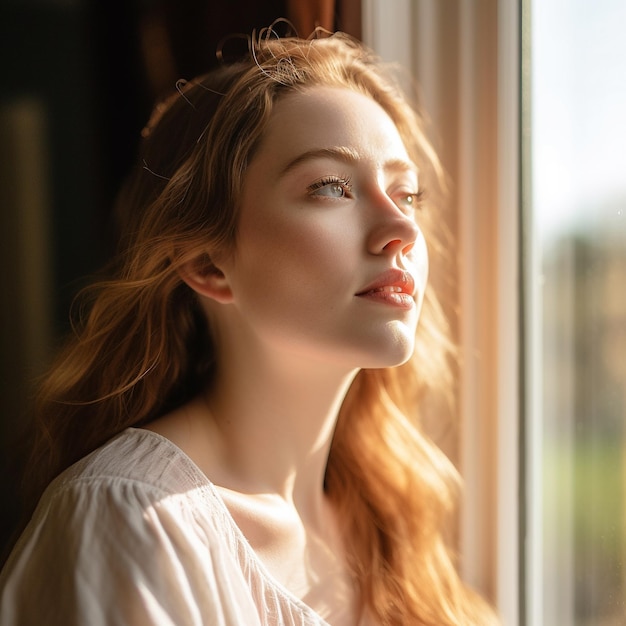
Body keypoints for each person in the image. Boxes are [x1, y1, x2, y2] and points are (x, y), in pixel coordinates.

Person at [0, 28, 498, 625]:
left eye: (406, 194)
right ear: (208, 263)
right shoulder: (134, 519)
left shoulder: (384, 525)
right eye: (331, 187)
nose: (403, 230)